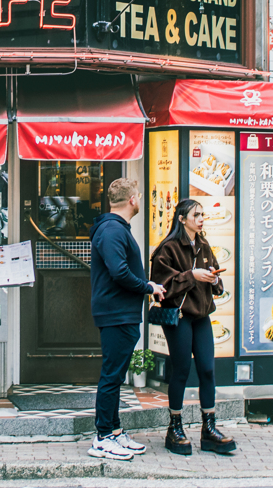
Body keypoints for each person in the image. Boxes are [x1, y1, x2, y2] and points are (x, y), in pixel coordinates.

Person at [149, 198, 236, 455]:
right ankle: (174, 428)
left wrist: (214, 279)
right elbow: (161, 286)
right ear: (182, 218)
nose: (201, 219)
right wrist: (192, 275)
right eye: (196, 215)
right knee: (181, 370)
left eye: (202, 215)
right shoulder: (168, 248)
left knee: (207, 370)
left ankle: (209, 429)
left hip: (201, 315)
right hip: (179, 316)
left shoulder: (204, 245)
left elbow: (215, 281)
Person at [88, 178, 166, 461]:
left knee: (116, 375)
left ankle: (114, 430)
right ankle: (102, 438)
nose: (140, 200)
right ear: (132, 199)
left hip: (120, 312)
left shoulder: (115, 228)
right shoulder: (112, 230)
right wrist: (148, 287)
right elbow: (119, 272)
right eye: (139, 196)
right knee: (111, 376)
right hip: (116, 313)